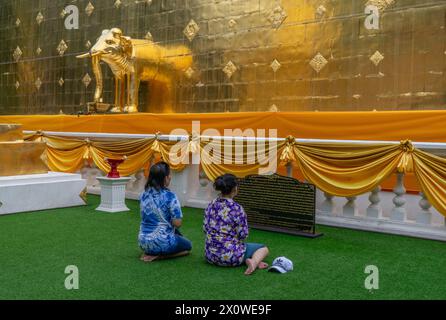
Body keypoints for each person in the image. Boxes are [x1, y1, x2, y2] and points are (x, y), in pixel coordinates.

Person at [203, 173, 269, 275]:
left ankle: (250, 258)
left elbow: (205, 228)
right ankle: (254, 262)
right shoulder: (237, 208)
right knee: (263, 248)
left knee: (242, 246)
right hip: (230, 257)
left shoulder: (211, 204)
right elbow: (243, 235)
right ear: (234, 189)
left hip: (210, 255)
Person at [138, 161, 192, 262]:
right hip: (162, 242)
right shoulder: (170, 196)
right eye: (169, 175)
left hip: (143, 242)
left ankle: (150, 252)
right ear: (165, 178)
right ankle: (161, 256)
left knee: (175, 233)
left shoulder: (143, 195)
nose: (170, 177)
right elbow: (177, 223)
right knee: (188, 246)